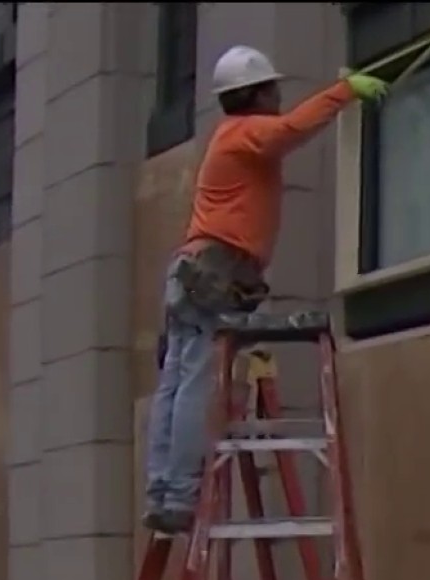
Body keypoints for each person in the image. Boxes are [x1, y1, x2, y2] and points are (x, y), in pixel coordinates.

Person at [140, 47, 390, 535]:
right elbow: (292, 130)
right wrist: (344, 92)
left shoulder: (229, 137)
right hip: (212, 269)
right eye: (272, 88)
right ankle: (181, 495)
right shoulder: (245, 133)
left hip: (196, 270)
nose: (279, 95)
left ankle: (163, 491)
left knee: (175, 384)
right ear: (253, 93)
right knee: (192, 384)